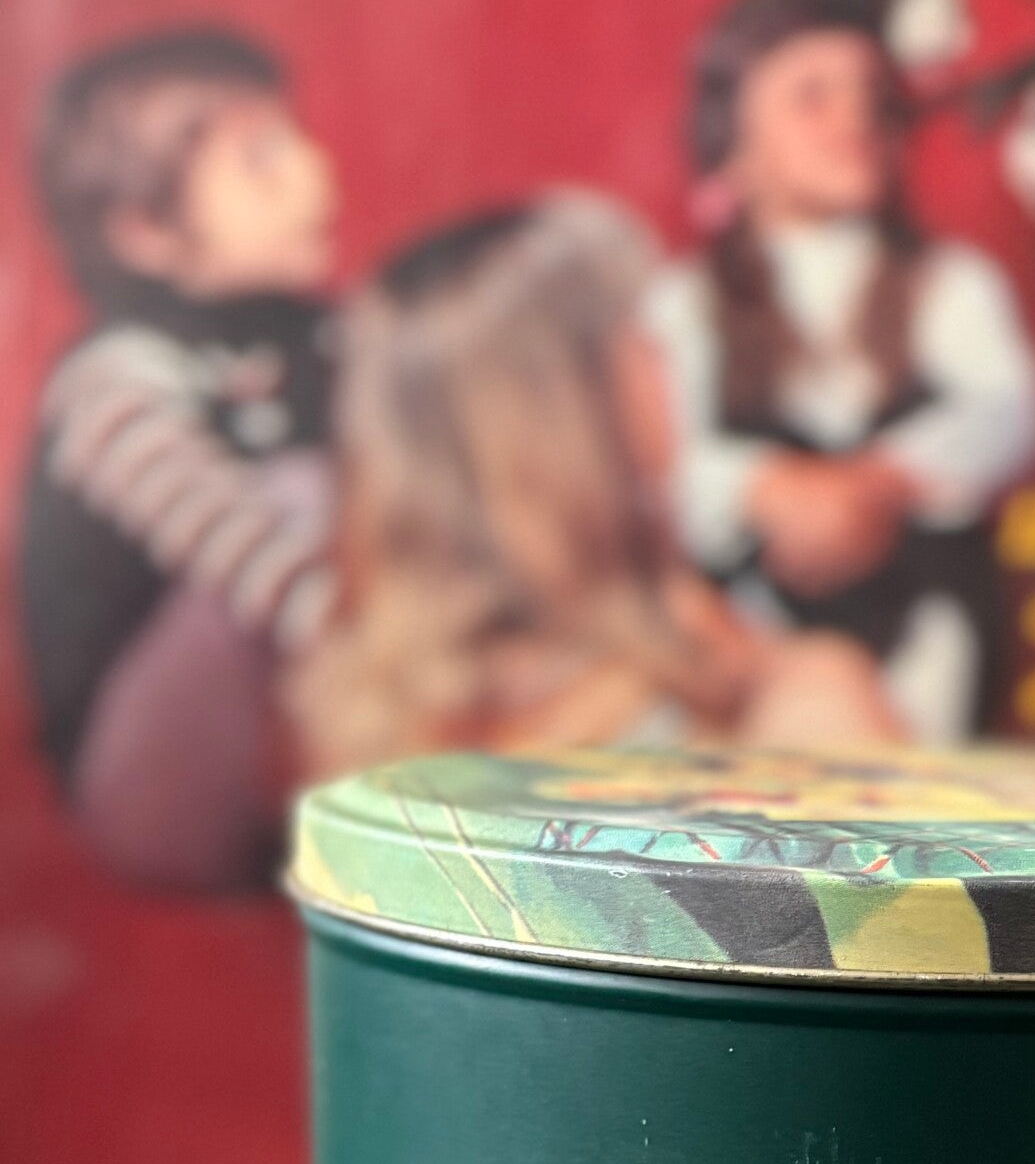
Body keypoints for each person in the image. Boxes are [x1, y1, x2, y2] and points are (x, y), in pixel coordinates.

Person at [287, 194, 895, 779]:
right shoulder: (797, 720)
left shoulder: (361, 725)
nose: (667, 359)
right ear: (578, 417)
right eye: (644, 335)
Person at [645, 0, 1035, 743]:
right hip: (750, 638)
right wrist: (769, 487)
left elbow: (1007, 412)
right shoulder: (685, 304)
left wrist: (874, 484)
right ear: (733, 143)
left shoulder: (948, 283)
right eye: (812, 97)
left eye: (872, 97)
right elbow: (664, 462)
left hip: (917, 633)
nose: (853, 118)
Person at [18, 26, 338, 890]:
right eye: (260, 159)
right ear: (146, 231)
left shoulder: (318, 334)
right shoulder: (112, 382)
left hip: (296, 738)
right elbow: (240, 549)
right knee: (302, 491)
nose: (314, 170)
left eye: (298, 140)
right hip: (150, 792)